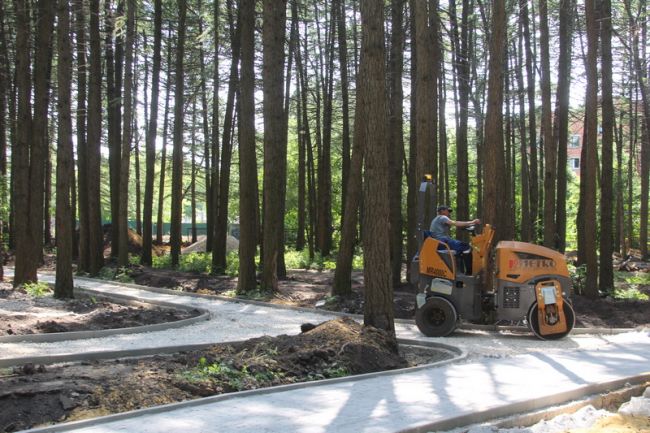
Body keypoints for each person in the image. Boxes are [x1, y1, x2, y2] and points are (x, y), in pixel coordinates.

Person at [429, 205, 480, 273]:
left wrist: (466, 225)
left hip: (439, 242)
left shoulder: (436, 219)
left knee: (460, 251)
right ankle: (469, 272)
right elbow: (455, 223)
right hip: (442, 242)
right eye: (448, 211)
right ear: (442, 211)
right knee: (466, 246)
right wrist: (472, 222)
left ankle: (460, 271)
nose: (449, 213)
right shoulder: (442, 217)